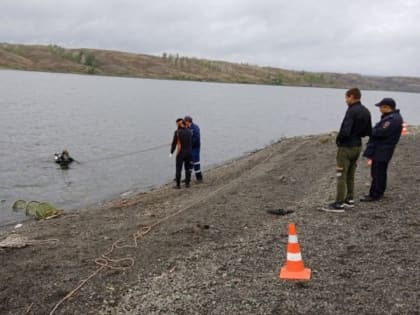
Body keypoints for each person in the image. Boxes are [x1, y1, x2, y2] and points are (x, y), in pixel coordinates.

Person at [326, 88, 372, 211]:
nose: (345, 100)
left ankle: (339, 203)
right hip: (357, 146)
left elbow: (345, 130)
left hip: (346, 147)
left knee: (341, 174)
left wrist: (339, 140)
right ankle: (349, 199)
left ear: (351, 96)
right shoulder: (366, 111)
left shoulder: (351, 111)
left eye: (346, 97)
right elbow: (368, 131)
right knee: (350, 174)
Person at [361, 98, 403, 202]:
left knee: (377, 172)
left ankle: (375, 194)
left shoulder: (392, 119)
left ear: (387, 107)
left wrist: (370, 131)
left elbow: (381, 132)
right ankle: (379, 191)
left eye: (381, 107)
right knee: (380, 171)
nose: (380, 109)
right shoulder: (392, 117)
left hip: (382, 149)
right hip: (383, 149)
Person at [170, 118, 193, 188]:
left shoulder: (177, 132)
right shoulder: (189, 131)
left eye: (176, 124)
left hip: (181, 153)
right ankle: (187, 184)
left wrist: (171, 152)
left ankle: (178, 185)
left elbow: (174, 144)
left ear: (179, 124)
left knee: (178, 169)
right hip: (189, 152)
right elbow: (191, 142)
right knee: (188, 168)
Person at [184, 115, 203, 181]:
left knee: (196, 162)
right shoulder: (186, 128)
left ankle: (199, 178)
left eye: (185, 121)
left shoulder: (195, 127)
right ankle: (187, 178)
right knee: (189, 162)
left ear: (188, 121)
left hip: (195, 147)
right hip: (190, 148)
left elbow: (196, 138)